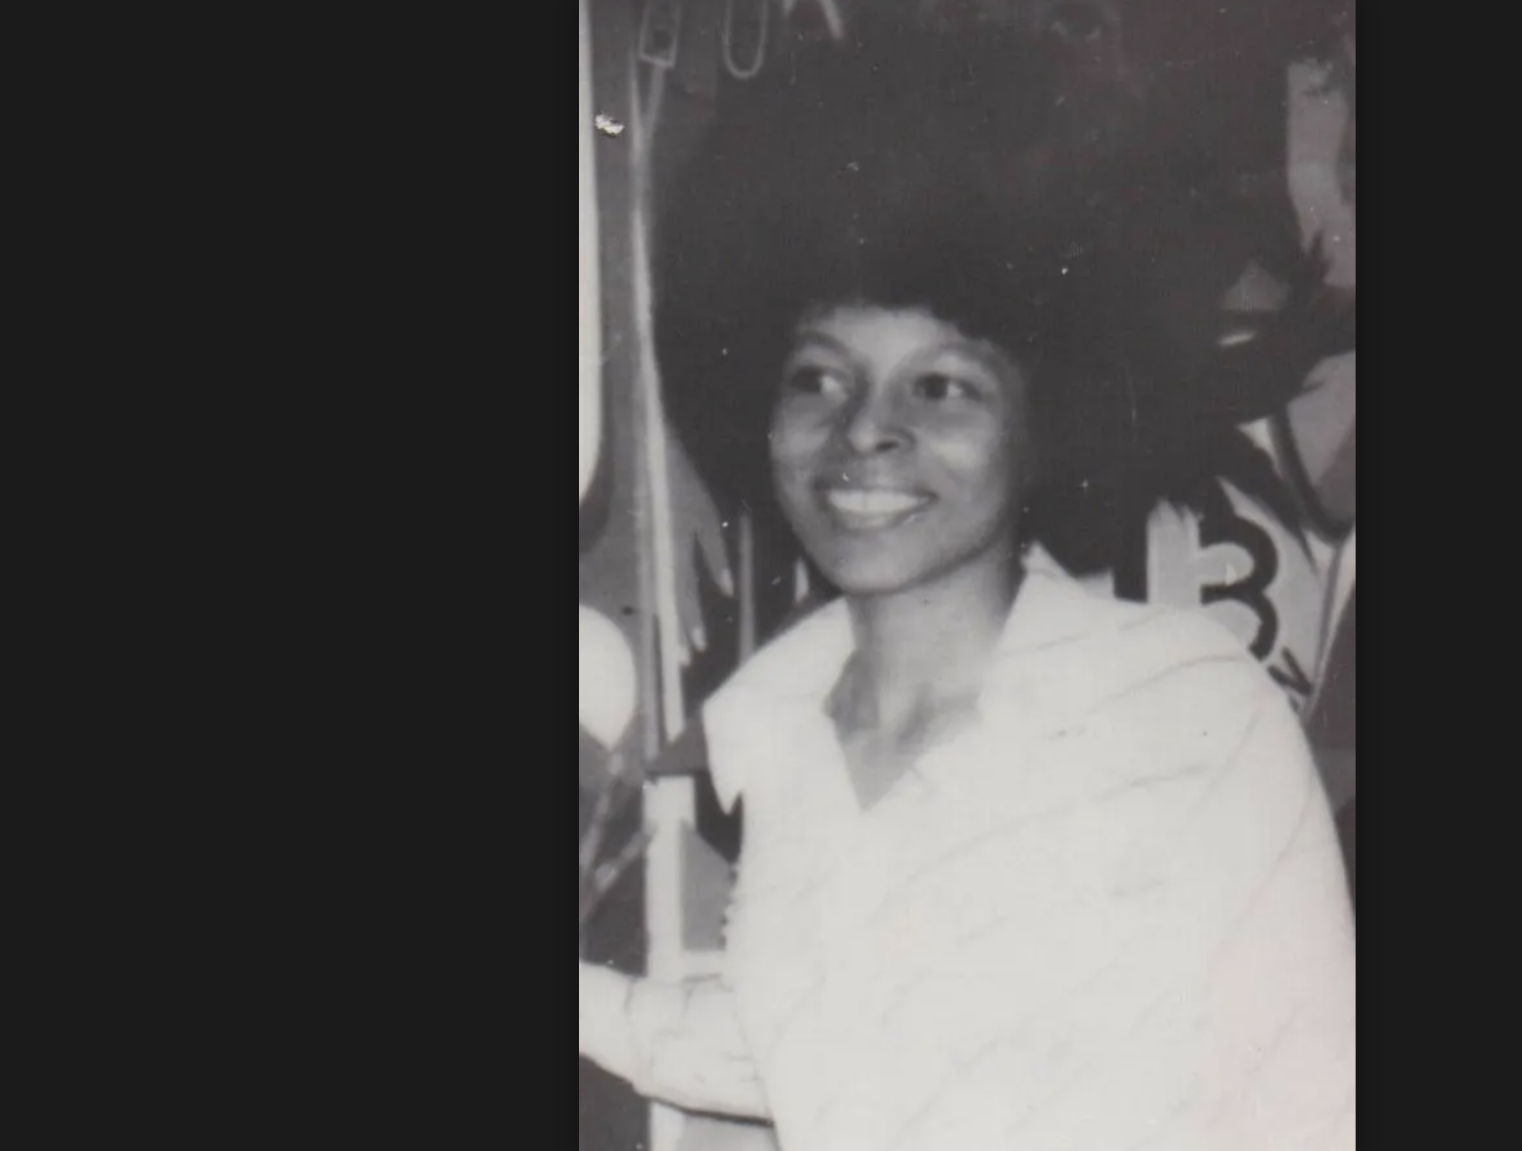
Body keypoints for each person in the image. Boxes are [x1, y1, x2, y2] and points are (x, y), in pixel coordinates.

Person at [580, 28, 1355, 1151]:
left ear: (1050, 419)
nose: (866, 431)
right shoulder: (776, 730)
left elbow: (1315, 1099)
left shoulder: (1180, 708)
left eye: (940, 385)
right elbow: (810, 1043)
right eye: (819, 377)